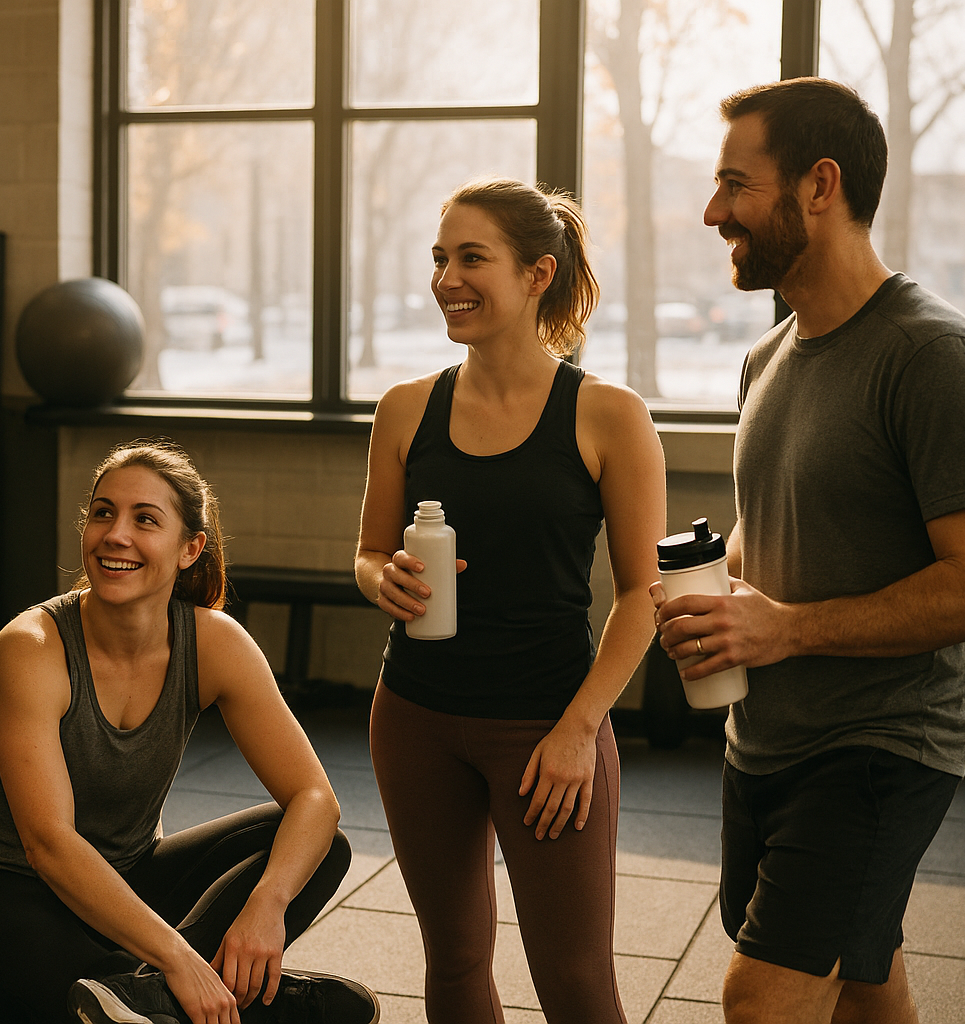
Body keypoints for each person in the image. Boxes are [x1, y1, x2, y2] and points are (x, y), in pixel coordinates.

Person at [653, 78, 965, 1024]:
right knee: (862, 978)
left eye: (735, 184)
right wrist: (716, 597)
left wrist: (785, 630)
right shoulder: (767, 358)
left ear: (819, 185)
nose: (713, 212)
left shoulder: (933, 357)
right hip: (766, 738)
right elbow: (773, 530)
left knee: (762, 999)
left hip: (881, 744)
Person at [0, 441, 380, 1024]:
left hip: (121, 885)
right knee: (59, 954)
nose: (116, 535)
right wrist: (179, 956)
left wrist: (268, 902)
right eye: (103, 513)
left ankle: (143, 997)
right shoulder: (31, 648)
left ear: (190, 549)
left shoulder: (213, 643)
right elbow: (48, 845)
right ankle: (231, 1000)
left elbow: (315, 799)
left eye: (145, 520)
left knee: (314, 846)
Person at [355, 177, 667, 1024]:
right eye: (439, 258)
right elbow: (369, 553)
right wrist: (383, 579)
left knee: (575, 981)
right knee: (455, 963)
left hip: (546, 727)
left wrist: (579, 729)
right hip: (415, 718)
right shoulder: (405, 410)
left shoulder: (609, 415)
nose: (447, 279)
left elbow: (642, 594)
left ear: (537, 273)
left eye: (471, 258)